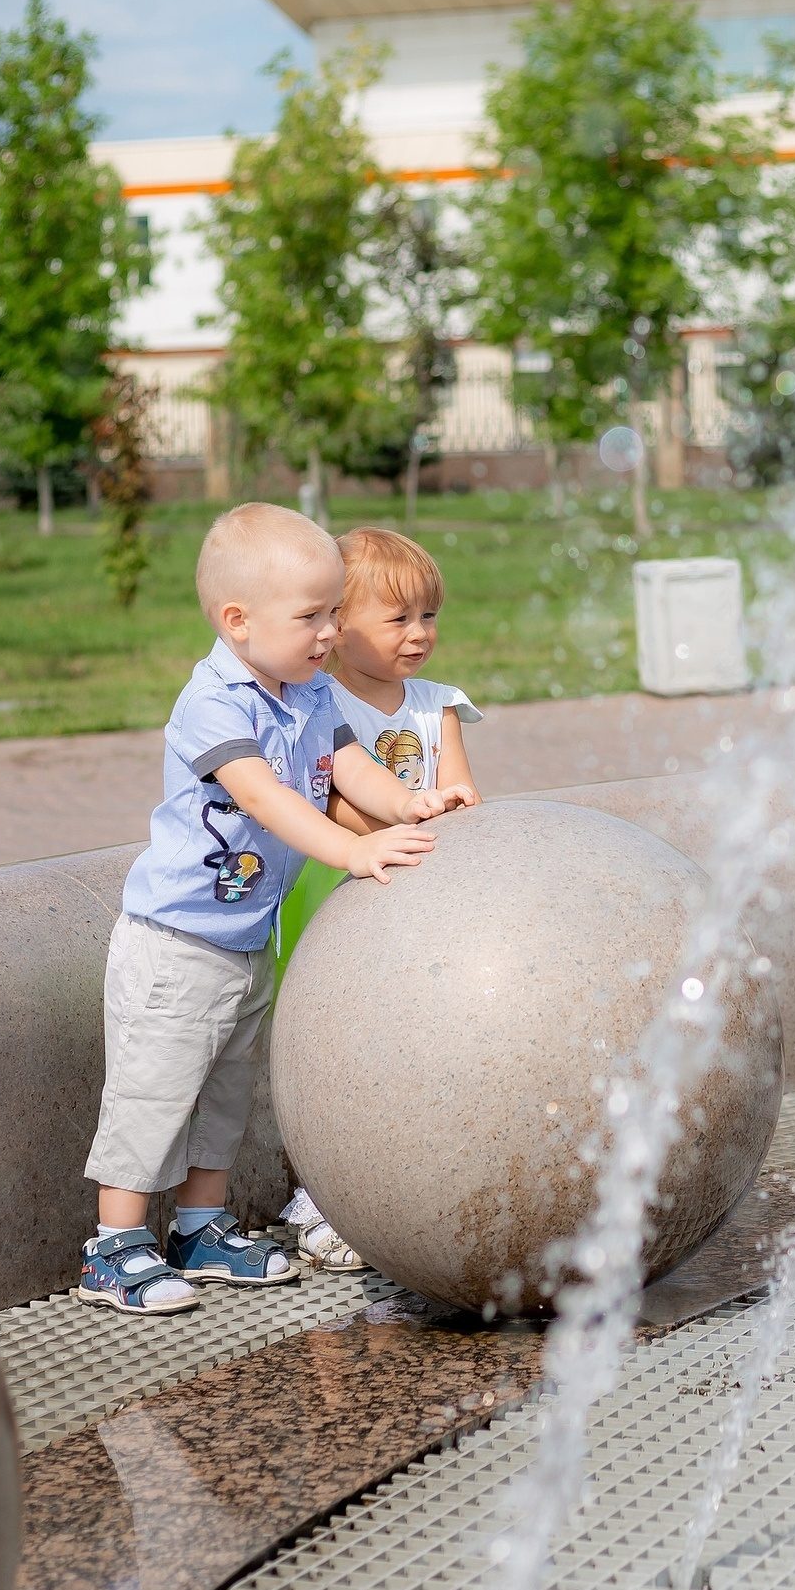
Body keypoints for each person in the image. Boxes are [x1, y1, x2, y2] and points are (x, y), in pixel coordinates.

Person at [78, 503, 475, 1316]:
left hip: (246, 936)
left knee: (225, 1093)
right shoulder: (215, 703)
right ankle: (113, 1248)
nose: (330, 632)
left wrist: (411, 804)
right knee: (155, 1093)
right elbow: (266, 799)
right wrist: (352, 851)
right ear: (238, 621)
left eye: (334, 613)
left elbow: (351, 768)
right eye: (311, 617)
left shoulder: (307, 692)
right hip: (177, 942)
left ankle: (199, 1227)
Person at [271, 525, 484, 1272]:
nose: (419, 634)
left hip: (419, 892)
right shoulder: (314, 704)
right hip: (335, 892)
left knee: (415, 1043)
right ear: (337, 625)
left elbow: (462, 795)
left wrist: (446, 816)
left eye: (428, 615)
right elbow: (326, 803)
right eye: (397, 619)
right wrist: (405, 822)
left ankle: (407, 1184)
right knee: (331, 1048)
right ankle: (316, 1202)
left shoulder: (435, 705)